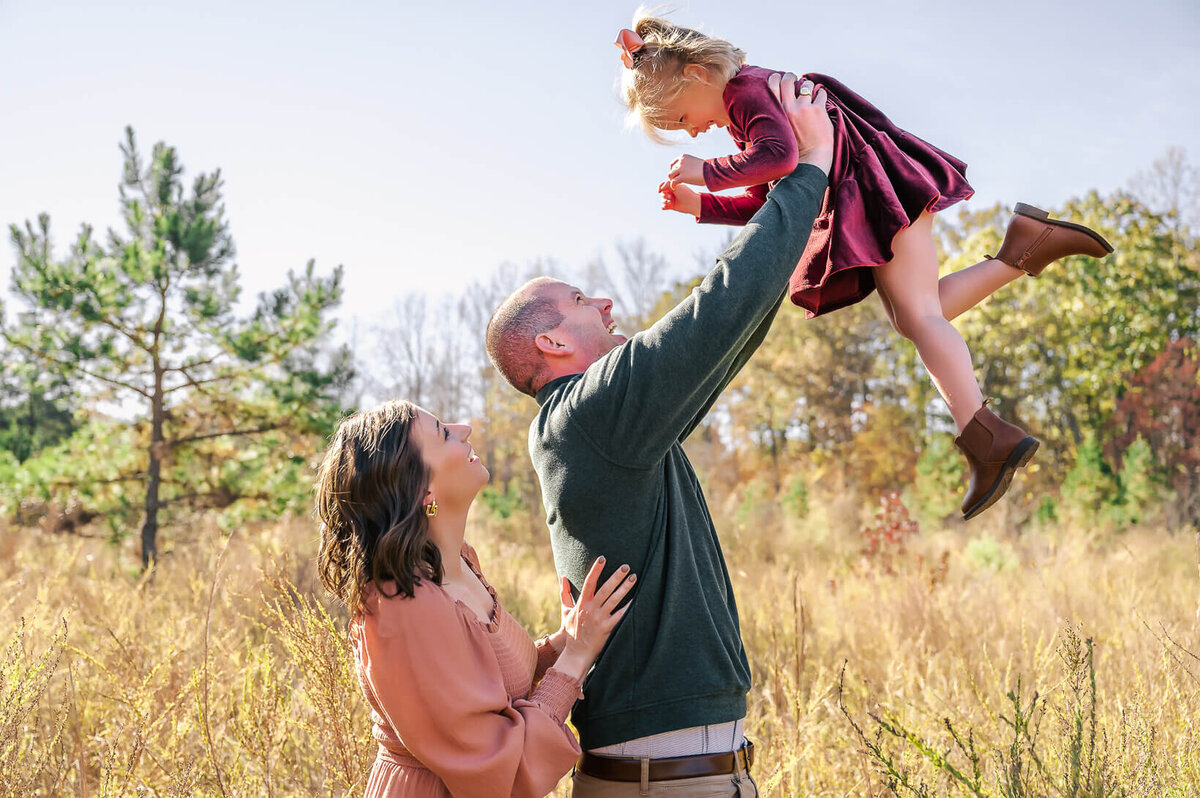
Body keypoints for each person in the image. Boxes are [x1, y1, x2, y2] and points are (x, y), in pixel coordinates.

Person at [614, 13, 1115, 519]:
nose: (690, 133)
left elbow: (782, 158)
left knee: (920, 318)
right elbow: (775, 194)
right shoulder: (746, 103)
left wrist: (709, 174)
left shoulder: (746, 93)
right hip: (875, 190)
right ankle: (1024, 250)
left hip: (879, 190)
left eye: (679, 118)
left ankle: (987, 437)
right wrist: (699, 205)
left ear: (698, 74)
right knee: (916, 315)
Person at [486, 73, 832, 796]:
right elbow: (720, 308)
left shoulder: (598, 426)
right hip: (671, 780)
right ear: (550, 343)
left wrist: (788, 208)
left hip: (675, 772)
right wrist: (809, 169)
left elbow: (730, 332)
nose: (605, 300)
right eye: (582, 299)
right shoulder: (589, 415)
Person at [314, 399, 638, 797]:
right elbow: (496, 766)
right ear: (422, 488)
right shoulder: (403, 606)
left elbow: (481, 682)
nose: (464, 428)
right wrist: (576, 657)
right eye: (444, 433)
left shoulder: (459, 561)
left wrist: (563, 643)